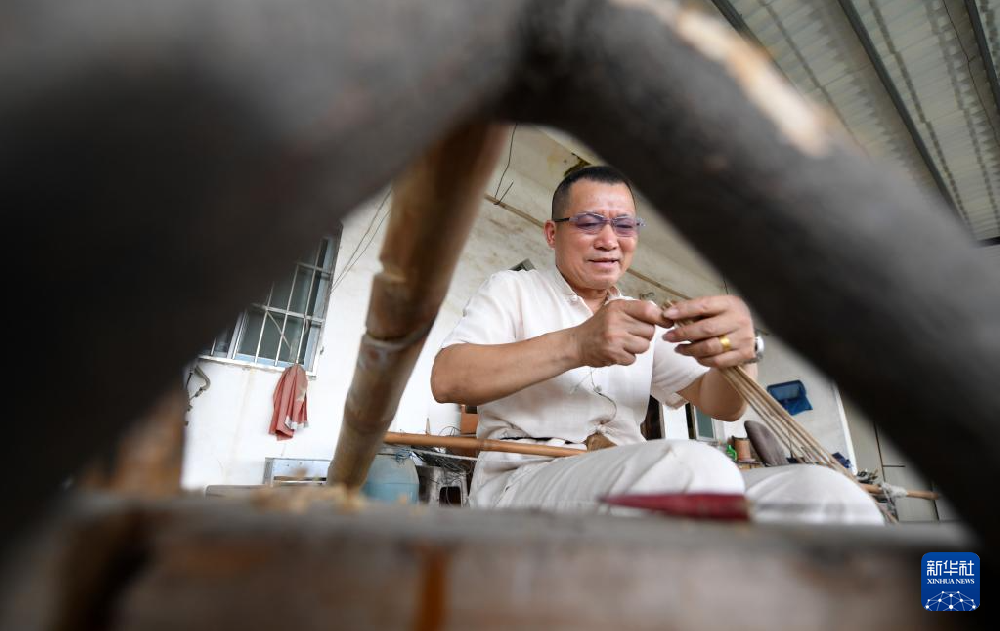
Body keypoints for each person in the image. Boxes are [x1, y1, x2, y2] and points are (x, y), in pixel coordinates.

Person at [432, 166, 882, 524]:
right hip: (524, 479)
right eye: (589, 222)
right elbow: (448, 378)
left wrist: (741, 353)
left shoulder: (639, 312)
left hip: (626, 474)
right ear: (553, 233)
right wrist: (577, 343)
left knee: (829, 495)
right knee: (693, 469)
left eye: (624, 225)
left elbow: (720, 405)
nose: (609, 240)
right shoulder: (513, 289)